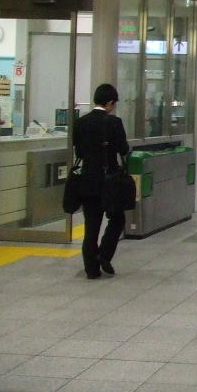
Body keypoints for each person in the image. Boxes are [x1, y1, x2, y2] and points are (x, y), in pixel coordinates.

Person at [73, 84, 129, 280]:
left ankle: (91, 270)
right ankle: (104, 254)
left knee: (91, 227)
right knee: (117, 219)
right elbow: (123, 149)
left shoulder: (80, 122)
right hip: (110, 181)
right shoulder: (114, 123)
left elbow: (79, 152)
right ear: (110, 103)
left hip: (87, 180)